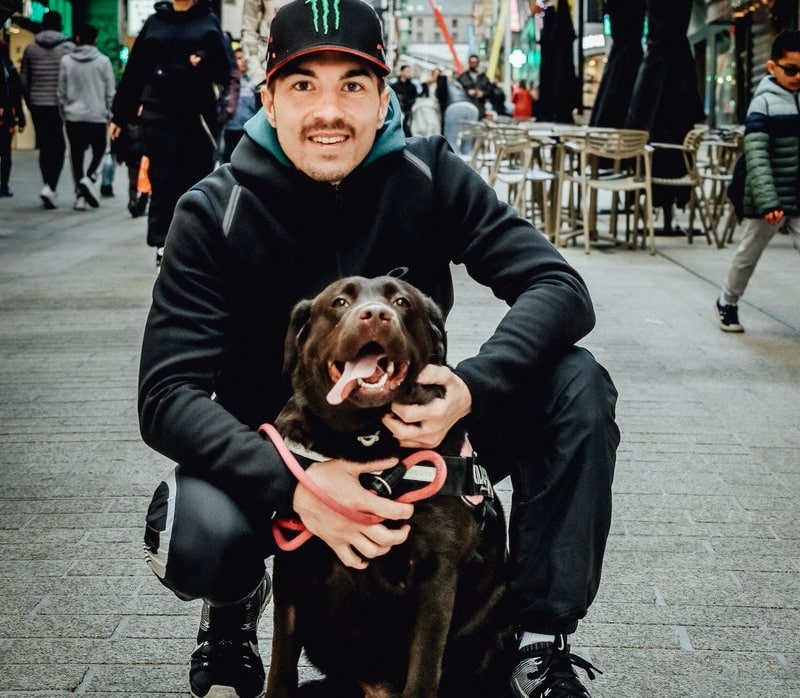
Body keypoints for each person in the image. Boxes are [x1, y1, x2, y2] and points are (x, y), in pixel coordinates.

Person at [137, 1, 619, 697]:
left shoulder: (430, 176)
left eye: (352, 85)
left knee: (577, 384)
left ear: (384, 96)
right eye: (303, 85)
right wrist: (296, 485)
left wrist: (472, 388)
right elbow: (166, 397)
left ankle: (540, 641)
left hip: (420, 440)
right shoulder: (212, 211)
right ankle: (236, 604)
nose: (328, 110)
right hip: (283, 447)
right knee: (194, 525)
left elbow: (558, 285)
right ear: (268, 98)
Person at [109, 0, 238, 268]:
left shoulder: (208, 21)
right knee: (163, 176)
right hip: (159, 112)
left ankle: (195, 242)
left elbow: (225, 71)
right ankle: (163, 243)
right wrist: (120, 115)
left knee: (196, 179)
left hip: (196, 114)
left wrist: (202, 60)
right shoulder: (155, 23)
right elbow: (135, 71)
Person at [715, 30, 800, 333]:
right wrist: (768, 202)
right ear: (772, 67)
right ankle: (727, 301)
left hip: (796, 197)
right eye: (791, 69)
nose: (797, 76)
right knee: (748, 255)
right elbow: (756, 155)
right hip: (769, 198)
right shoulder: (762, 104)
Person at [19, 10, 75, 209]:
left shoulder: (31, 49)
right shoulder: (69, 48)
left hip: (38, 104)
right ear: (60, 25)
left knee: (44, 144)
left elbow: (24, 80)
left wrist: (30, 101)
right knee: (58, 145)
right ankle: (51, 186)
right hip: (60, 106)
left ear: (42, 25)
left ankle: (46, 185)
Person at [58, 24, 115, 211]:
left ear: (77, 38)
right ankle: (89, 178)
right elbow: (110, 92)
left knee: (76, 156)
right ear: (96, 40)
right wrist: (109, 112)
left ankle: (80, 197)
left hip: (73, 117)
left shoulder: (66, 61)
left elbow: (61, 92)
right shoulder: (104, 61)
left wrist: (64, 111)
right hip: (97, 115)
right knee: (101, 150)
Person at [220, 47, 258, 163]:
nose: (242, 61)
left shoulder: (253, 81)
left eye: (244, 58)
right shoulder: (228, 80)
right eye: (238, 58)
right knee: (227, 161)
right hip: (230, 128)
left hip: (247, 130)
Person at [0, 40, 26, 197]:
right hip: (7, 119)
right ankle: (4, 185)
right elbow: (17, 97)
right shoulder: (11, 71)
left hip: (6, 117)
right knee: (5, 153)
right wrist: (21, 119)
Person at [457, 53, 492, 118]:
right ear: (469, 63)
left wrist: (483, 93)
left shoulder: (483, 78)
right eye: (472, 62)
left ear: (478, 63)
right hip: (466, 107)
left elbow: (490, 91)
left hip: (480, 109)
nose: (473, 64)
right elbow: (457, 92)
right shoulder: (462, 77)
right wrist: (467, 92)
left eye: (475, 62)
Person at [390, 64, 418, 136]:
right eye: (407, 71)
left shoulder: (413, 87)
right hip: (396, 113)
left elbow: (415, 99)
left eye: (410, 71)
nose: (409, 73)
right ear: (401, 72)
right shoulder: (394, 86)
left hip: (408, 113)